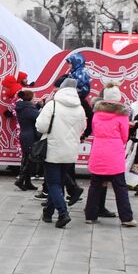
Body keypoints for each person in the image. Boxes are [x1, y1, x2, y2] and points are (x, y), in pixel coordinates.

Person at [35, 78, 88, 228]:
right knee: (58, 182)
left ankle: (63, 213)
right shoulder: (79, 108)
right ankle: (48, 213)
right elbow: (83, 126)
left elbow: (41, 126)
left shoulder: (53, 105)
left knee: (53, 183)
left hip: (52, 148)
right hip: (70, 150)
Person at [84, 85, 136, 226]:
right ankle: (126, 218)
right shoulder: (122, 115)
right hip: (114, 153)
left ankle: (90, 215)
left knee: (95, 185)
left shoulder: (96, 114)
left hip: (98, 151)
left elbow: (95, 131)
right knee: (120, 187)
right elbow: (124, 137)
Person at [9, 88, 41, 190]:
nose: (35, 99)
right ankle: (21, 180)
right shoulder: (29, 109)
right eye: (34, 97)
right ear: (30, 98)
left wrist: (38, 106)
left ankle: (27, 182)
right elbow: (39, 118)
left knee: (26, 158)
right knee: (29, 160)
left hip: (25, 134)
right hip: (30, 136)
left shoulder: (22, 107)